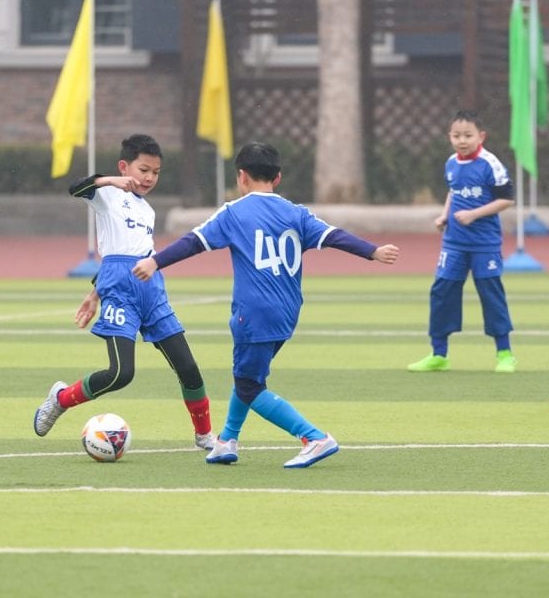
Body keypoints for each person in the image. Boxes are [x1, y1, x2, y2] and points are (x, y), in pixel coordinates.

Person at [132, 142, 400, 468]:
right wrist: (372, 251)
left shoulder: (234, 212)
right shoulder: (296, 212)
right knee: (248, 374)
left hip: (254, 312)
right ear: (278, 177)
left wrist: (155, 262)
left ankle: (314, 437)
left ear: (241, 177)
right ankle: (227, 441)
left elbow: (194, 242)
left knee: (249, 384)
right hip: (288, 311)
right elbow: (335, 236)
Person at [33, 134, 214, 448]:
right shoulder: (106, 195)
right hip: (121, 295)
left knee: (188, 367)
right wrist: (110, 181)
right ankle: (61, 398)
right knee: (121, 373)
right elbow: (75, 187)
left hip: (152, 292)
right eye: (143, 170)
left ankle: (205, 435)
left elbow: (131, 251)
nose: (149, 178)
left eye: (155, 173)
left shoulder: (148, 211)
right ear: (124, 166)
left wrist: (92, 294)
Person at [406, 110, 518, 373]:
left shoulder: (491, 164)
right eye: (456, 135)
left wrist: (473, 214)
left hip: (485, 244)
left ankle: (504, 354)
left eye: (468, 135)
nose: (462, 140)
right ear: (449, 137)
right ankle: (439, 353)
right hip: (454, 243)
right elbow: (453, 192)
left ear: (481, 136)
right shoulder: (451, 163)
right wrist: (445, 216)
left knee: (490, 293)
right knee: (442, 291)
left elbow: (507, 199)